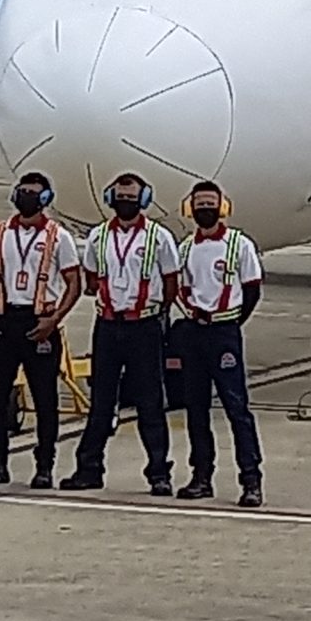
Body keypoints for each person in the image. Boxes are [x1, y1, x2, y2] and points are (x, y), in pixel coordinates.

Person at [62, 173, 183, 495]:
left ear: (143, 200)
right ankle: (89, 469)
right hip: (107, 325)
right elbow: (90, 278)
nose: (125, 202)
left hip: (144, 326)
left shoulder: (159, 237)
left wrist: (156, 314)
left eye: (131, 197)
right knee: (101, 401)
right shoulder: (98, 237)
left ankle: (159, 473)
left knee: (150, 402)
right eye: (120, 197)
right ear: (110, 199)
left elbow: (171, 282)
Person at [0, 171, 83, 488]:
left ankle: (44, 466)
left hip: (40, 322)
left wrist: (55, 319)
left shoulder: (59, 237)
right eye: (23, 191)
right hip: (5, 322)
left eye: (34, 193)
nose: (27, 197)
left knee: (45, 398)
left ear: (45, 198)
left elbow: (74, 283)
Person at [174, 180, 266, 507]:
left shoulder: (239, 245)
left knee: (236, 407)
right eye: (199, 203)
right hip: (194, 332)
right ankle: (201, 476)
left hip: (224, 332)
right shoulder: (185, 248)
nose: (204, 208)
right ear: (190, 207)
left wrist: (232, 320)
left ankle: (251, 479)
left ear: (222, 206)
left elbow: (252, 290)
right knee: (196, 408)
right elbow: (180, 290)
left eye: (210, 203)